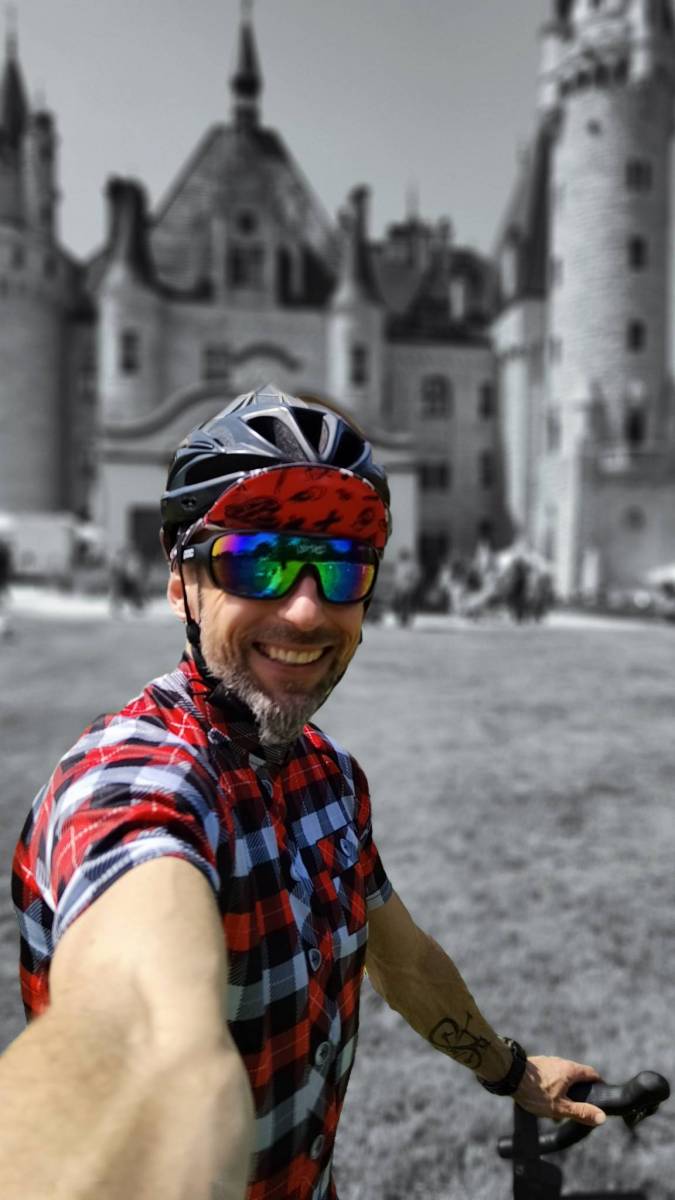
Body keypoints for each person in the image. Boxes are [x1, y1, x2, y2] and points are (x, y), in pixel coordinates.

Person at [4, 386, 605, 1200]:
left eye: (343, 565)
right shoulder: (133, 784)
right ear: (181, 581)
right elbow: (141, 1032)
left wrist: (512, 1071)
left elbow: (400, 957)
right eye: (258, 560)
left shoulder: (328, 774)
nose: (306, 609)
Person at [392, 546, 420, 626]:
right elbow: (396, 576)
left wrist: (413, 584)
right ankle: (401, 619)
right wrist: (396, 586)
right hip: (400, 587)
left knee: (407, 604)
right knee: (399, 604)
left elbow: (415, 576)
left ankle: (406, 619)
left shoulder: (411, 565)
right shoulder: (399, 564)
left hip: (408, 587)